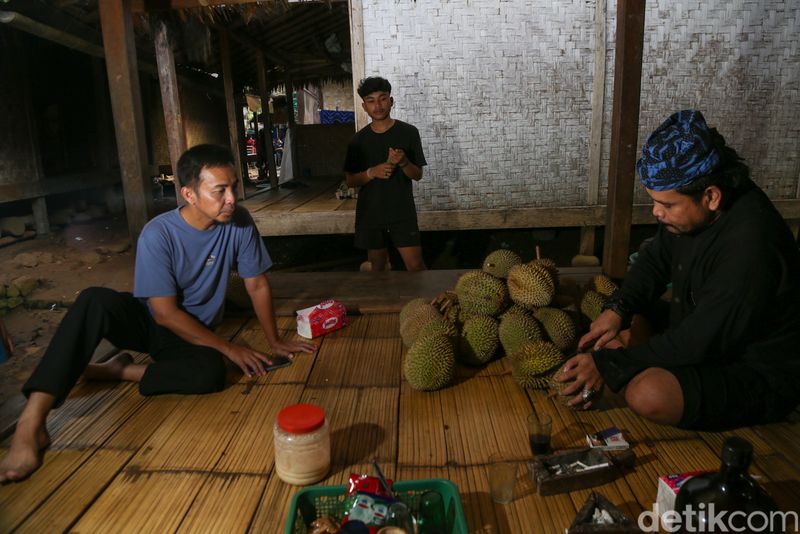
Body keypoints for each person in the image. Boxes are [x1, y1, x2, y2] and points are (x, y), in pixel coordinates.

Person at [0, 144, 316, 483]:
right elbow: (163, 314)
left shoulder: (239, 223)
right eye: (220, 190)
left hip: (191, 332)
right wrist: (229, 346)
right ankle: (32, 423)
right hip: (152, 321)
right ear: (189, 194)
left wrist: (274, 340)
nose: (232, 198)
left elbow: (257, 285)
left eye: (234, 187)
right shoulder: (158, 233)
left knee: (210, 373)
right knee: (93, 299)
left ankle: (119, 371)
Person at [558, 110, 800, 430]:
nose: (657, 213)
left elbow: (699, 339)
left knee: (648, 394)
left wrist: (609, 365)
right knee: (622, 331)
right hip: (697, 320)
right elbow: (656, 259)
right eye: (655, 202)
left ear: (710, 196)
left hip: (755, 370)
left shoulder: (752, 248)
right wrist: (619, 307)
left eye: (667, 205)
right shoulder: (700, 206)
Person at [344, 76, 427, 272]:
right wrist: (371, 172)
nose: (378, 105)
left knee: (415, 265)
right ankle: (384, 303)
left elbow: (417, 175)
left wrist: (404, 162)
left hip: (401, 211)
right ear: (364, 106)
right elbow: (350, 180)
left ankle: (424, 303)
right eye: (371, 101)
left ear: (391, 100)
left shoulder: (408, 132)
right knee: (378, 266)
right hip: (371, 213)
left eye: (382, 98)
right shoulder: (358, 141)